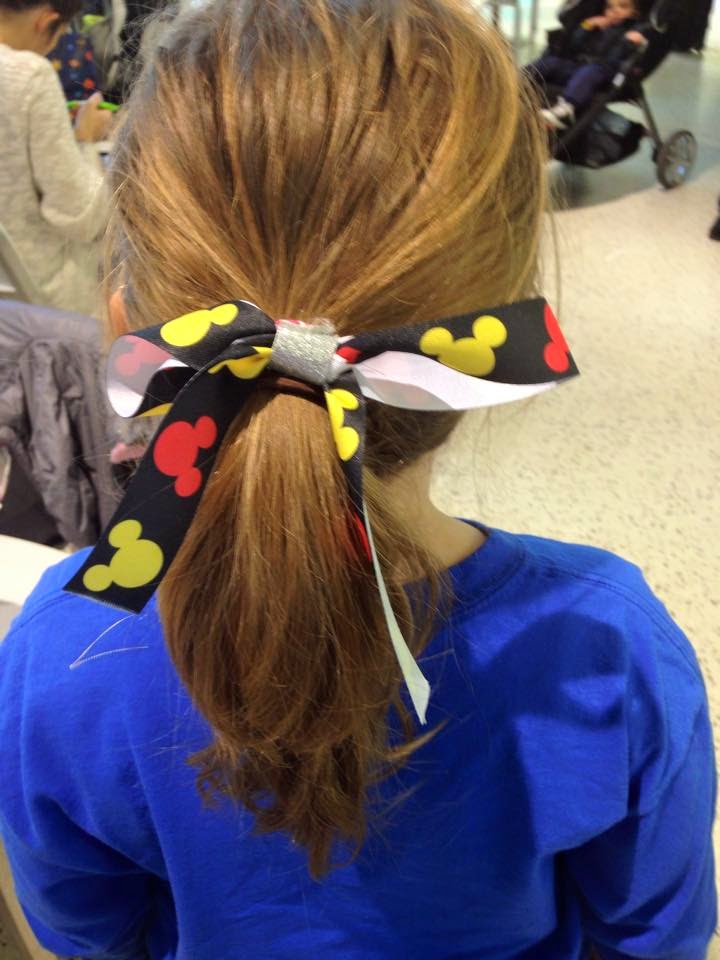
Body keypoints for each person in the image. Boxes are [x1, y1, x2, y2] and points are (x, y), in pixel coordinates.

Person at [0, 2, 716, 959]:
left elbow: (87, 938)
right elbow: (655, 939)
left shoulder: (61, 647)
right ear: (493, 338)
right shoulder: (608, 648)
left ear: (128, 319)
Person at [0, 0, 111, 314]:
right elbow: (81, 216)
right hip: (40, 298)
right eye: (59, 35)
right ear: (45, 21)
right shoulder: (27, 75)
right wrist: (85, 139)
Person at [527, 0, 646, 129]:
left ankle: (566, 109)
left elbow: (614, 58)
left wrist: (627, 43)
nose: (615, 11)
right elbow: (573, 46)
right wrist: (586, 26)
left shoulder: (634, 32)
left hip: (604, 72)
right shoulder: (598, 26)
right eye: (610, 7)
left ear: (634, 12)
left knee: (590, 71)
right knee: (551, 63)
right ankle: (517, 80)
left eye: (623, 6)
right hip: (578, 67)